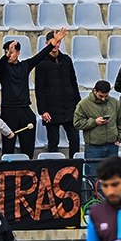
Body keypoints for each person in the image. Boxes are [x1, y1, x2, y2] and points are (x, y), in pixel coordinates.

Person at [0, 32, 59, 158]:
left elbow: (40, 56)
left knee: (28, 148)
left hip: (25, 110)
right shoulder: (4, 68)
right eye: (6, 52)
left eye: (12, 52)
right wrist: (8, 53)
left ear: (18, 53)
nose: (8, 55)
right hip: (9, 111)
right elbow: (1, 64)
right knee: (8, 148)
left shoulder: (25, 65)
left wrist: (52, 43)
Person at [35, 29, 80, 157]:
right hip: (52, 108)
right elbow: (40, 89)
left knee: (75, 139)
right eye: (53, 42)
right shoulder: (42, 64)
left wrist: (78, 104)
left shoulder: (66, 60)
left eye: (58, 42)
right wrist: (43, 110)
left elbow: (73, 83)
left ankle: (74, 167)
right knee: (53, 141)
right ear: (47, 43)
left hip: (69, 106)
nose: (56, 45)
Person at [73, 80, 121, 165]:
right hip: (93, 147)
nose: (103, 99)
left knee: (112, 177)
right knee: (93, 177)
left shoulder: (115, 102)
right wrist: (94, 122)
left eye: (106, 96)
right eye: (101, 96)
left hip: (112, 145)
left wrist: (120, 138)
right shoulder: (83, 104)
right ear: (95, 91)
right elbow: (77, 123)